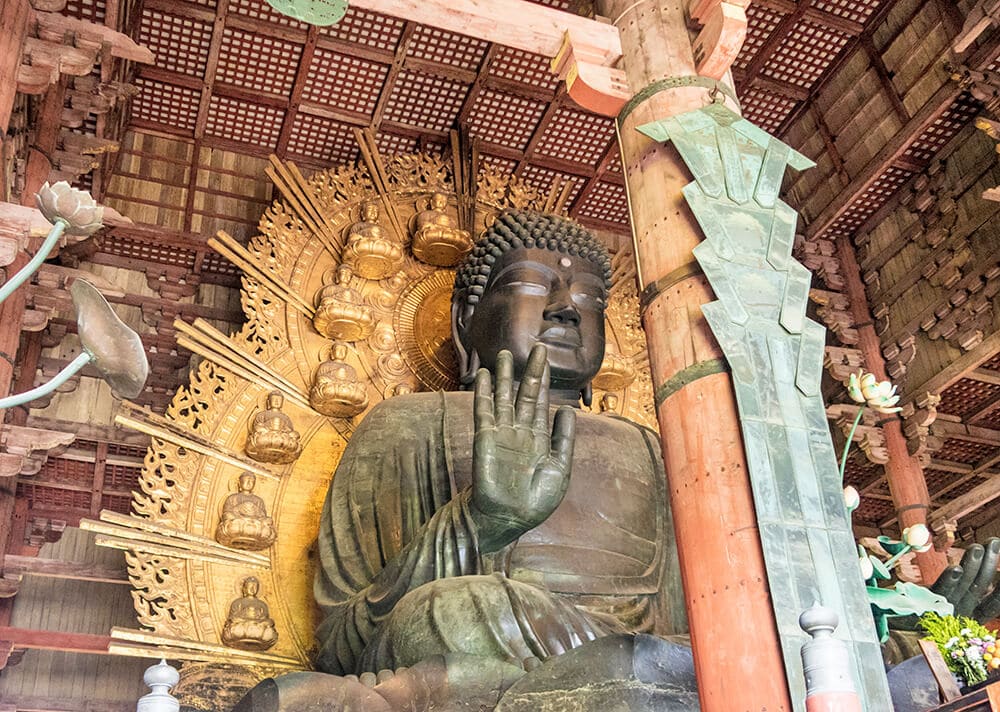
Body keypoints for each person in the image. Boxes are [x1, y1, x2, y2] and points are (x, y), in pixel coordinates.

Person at [236, 210, 694, 711]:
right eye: (534, 286)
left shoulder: (651, 450)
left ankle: (537, 686)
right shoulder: (405, 424)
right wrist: (478, 520)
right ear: (465, 319)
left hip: (624, 660)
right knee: (450, 610)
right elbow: (342, 644)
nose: (566, 308)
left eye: (589, 298)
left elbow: (685, 627)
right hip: (472, 632)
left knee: (683, 655)